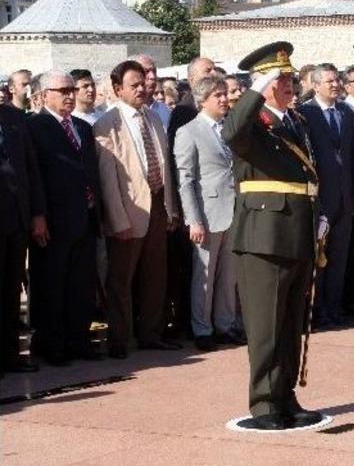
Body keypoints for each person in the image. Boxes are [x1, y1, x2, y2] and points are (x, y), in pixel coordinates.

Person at [222, 41, 323, 430]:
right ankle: (264, 404)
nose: (289, 84)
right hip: (264, 236)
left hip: (297, 231)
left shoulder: (294, 120)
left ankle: (285, 396)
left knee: (289, 324)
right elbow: (232, 133)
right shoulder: (251, 122)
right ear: (261, 83)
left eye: (290, 77)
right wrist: (254, 89)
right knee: (266, 327)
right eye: (279, 78)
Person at [94, 60, 181, 359]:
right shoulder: (107, 125)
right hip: (127, 210)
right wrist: (118, 220)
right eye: (134, 85)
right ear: (118, 90)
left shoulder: (154, 118)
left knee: (156, 275)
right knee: (121, 279)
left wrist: (170, 209)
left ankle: (151, 333)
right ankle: (119, 338)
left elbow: (164, 166)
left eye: (143, 83)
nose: (142, 89)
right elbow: (108, 180)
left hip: (157, 205)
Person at [26, 70, 101, 365]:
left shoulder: (82, 127)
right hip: (53, 221)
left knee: (80, 284)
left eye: (72, 89)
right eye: (63, 90)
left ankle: (78, 340)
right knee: (52, 284)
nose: (70, 95)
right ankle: (51, 343)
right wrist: (38, 215)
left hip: (85, 216)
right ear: (44, 95)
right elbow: (33, 175)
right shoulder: (36, 127)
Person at [174, 77, 243, 352]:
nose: (225, 99)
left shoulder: (229, 129)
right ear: (203, 100)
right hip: (207, 212)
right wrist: (193, 219)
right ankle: (202, 328)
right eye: (219, 95)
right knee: (204, 275)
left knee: (229, 275)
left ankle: (225, 325)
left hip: (235, 210)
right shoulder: (189, 131)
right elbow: (185, 179)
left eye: (225, 94)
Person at [299, 64, 354, 329]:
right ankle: (317, 310)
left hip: (345, 199)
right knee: (318, 257)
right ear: (316, 84)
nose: (335, 85)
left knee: (339, 258)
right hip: (320, 198)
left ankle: (334, 308)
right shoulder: (305, 113)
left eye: (337, 80)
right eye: (330, 81)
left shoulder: (346, 112)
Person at [0, 98, 46, 376]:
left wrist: (37, 213)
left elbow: (31, 168)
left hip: (17, 218)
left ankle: (9, 355)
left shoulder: (15, 118)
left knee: (10, 291)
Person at [131, 54, 171, 130]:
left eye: (154, 71)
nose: (152, 76)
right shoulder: (118, 114)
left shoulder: (165, 111)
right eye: (146, 71)